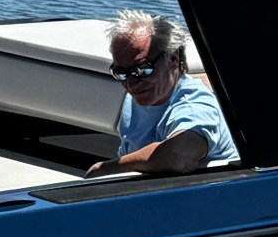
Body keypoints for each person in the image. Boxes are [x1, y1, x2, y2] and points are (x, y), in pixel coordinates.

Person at [88, 9, 237, 176]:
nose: (131, 83)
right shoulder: (142, 94)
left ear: (173, 58)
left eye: (142, 70)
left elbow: (178, 157)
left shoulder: (195, 106)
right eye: (121, 72)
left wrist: (103, 169)